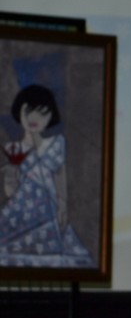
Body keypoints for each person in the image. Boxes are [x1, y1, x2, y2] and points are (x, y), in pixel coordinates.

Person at [0, 83, 92, 266]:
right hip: (19, 213)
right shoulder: (12, 149)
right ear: (19, 112)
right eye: (29, 111)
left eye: (42, 113)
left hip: (48, 210)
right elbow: (10, 193)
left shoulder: (56, 144)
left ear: (51, 116)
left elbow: (60, 175)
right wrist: (10, 179)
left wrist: (62, 205)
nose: (34, 118)